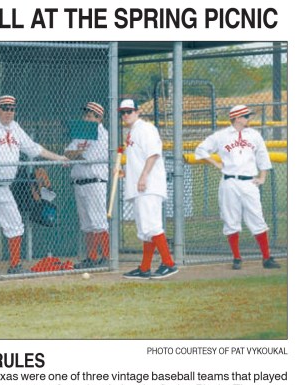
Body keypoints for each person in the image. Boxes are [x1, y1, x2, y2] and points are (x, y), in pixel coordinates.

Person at [0, 95, 68, 274]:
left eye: (11, 108)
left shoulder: (15, 127)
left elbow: (33, 148)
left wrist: (58, 157)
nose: (8, 112)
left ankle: (14, 266)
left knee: (15, 224)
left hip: (5, 187)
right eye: (5, 108)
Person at [195, 105, 281, 270]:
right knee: (231, 219)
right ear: (237, 118)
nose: (249, 119)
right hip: (229, 182)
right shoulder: (221, 136)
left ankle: (266, 257)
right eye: (246, 116)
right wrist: (216, 163)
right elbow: (201, 149)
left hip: (249, 182)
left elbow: (263, 155)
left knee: (257, 218)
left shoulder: (254, 135)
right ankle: (236, 258)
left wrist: (262, 177)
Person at [119, 99, 178, 279]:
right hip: (140, 185)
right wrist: (125, 172)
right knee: (145, 229)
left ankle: (169, 263)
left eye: (129, 111)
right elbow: (137, 160)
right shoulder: (132, 132)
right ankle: (144, 268)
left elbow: (153, 154)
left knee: (152, 226)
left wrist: (144, 176)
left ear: (138, 112)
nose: (126, 115)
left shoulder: (145, 129)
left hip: (149, 185)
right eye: (123, 112)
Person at [65, 102, 110, 269]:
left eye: (91, 115)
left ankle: (106, 257)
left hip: (94, 182)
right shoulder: (81, 134)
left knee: (98, 222)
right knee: (86, 223)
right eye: (86, 114)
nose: (86, 117)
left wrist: (75, 154)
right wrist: (76, 154)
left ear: (99, 118)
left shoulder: (102, 134)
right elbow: (67, 153)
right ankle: (91, 258)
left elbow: (86, 158)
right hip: (79, 182)